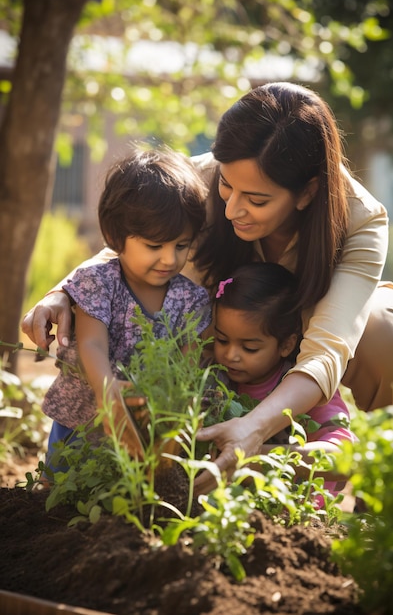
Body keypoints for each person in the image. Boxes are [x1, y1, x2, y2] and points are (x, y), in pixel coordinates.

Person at [22, 82, 391, 494]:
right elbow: (131, 243)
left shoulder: (361, 221)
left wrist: (253, 429)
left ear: (306, 192)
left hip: (298, 339)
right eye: (227, 186)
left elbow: (327, 350)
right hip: (215, 335)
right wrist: (62, 292)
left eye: (256, 199)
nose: (232, 208)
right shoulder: (200, 177)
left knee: (382, 328)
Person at [41, 145, 211, 470]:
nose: (170, 259)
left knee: (131, 490)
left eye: (181, 245)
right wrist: (109, 395)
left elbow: (189, 366)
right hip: (87, 413)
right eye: (154, 246)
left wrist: (171, 407)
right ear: (116, 236)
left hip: (149, 419)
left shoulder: (191, 300)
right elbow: (91, 342)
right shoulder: (99, 283)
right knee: (64, 489)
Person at [213, 262, 354, 503]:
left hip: (294, 509)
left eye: (249, 347)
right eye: (221, 340)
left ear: (286, 345)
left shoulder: (304, 389)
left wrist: (261, 457)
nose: (230, 355)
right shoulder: (213, 378)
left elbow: (345, 457)